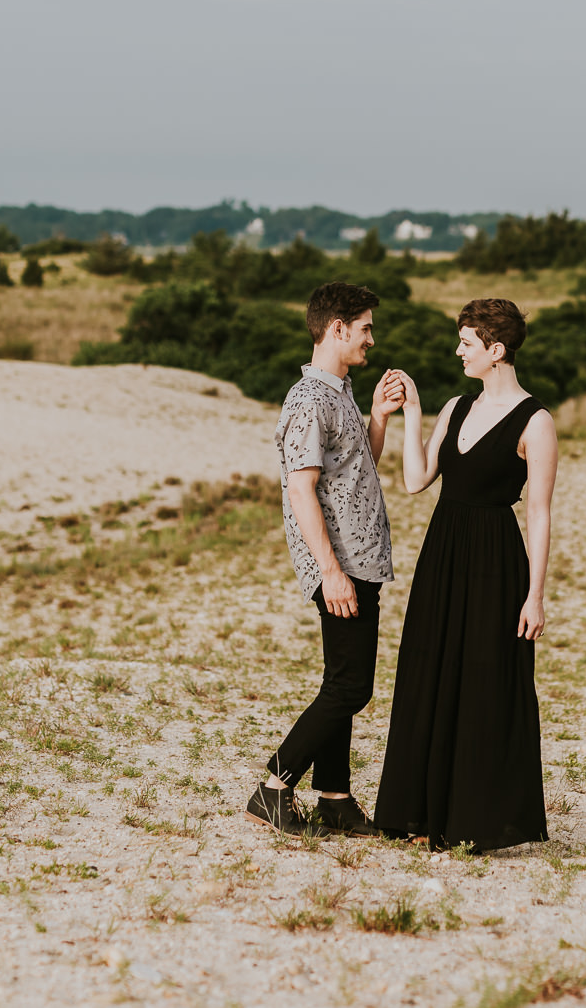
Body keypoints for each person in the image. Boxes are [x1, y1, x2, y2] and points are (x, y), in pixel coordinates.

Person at [372, 298, 556, 852]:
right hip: (443, 554)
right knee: (430, 673)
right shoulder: (455, 406)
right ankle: (424, 810)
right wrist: (412, 414)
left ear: (496, 351)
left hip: (498, 562)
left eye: (467, 343)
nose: (458, 351)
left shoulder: (537, 422)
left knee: (485, 681)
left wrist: (536, 595)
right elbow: (414, 480)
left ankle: (477, 818)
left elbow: (541, 514)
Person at [246, 282, 404, 836]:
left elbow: (358, 471)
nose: (371, 339)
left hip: (361, 560)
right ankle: (274, 787)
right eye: (364, 328)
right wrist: (331, 572)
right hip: (341, 565)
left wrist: (379, 418)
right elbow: (300, 489)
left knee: (340, 680)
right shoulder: (311, 399)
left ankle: (335, 798)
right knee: (350, 688)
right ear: (336, 328)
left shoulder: (340, 390)